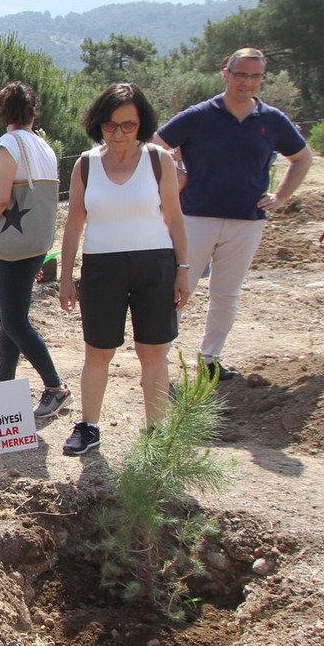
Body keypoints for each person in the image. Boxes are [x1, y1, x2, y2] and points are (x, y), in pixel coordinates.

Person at [154, 48, 310, 381]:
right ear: (226, 73)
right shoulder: (199, 115)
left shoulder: (272, 120)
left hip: (246, 221)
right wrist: (176, 172)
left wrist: (280, 196)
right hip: (194, 219)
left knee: (226, 293)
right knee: (178, 290)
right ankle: (158, 361)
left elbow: (302, 158)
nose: (248, 82)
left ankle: (210, 360)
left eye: (255, 76)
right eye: (241, 74)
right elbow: (155, 146)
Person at [59, 84, 191, 456]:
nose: (118, 134)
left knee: (152, 352)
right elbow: (73, 225)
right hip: (102, 266)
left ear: (142, 125)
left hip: (155, 263)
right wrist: (66, 278)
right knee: (98, 351)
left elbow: (175, 218)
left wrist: (183, 268)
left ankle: (156, 433)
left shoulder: (158, 160)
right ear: (98, 124)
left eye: (128, 126)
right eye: (110, 125)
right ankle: (89, 427)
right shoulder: (86, 164)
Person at [0, 81, 69, 419]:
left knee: (14, 321)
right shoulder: (43, 146)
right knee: (12, 318)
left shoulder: (9, 143)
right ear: (32, 110)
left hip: (13, 246)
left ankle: (55, 386)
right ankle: (6, 380)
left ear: (1, 110)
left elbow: (1, 198)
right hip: (36, 241)